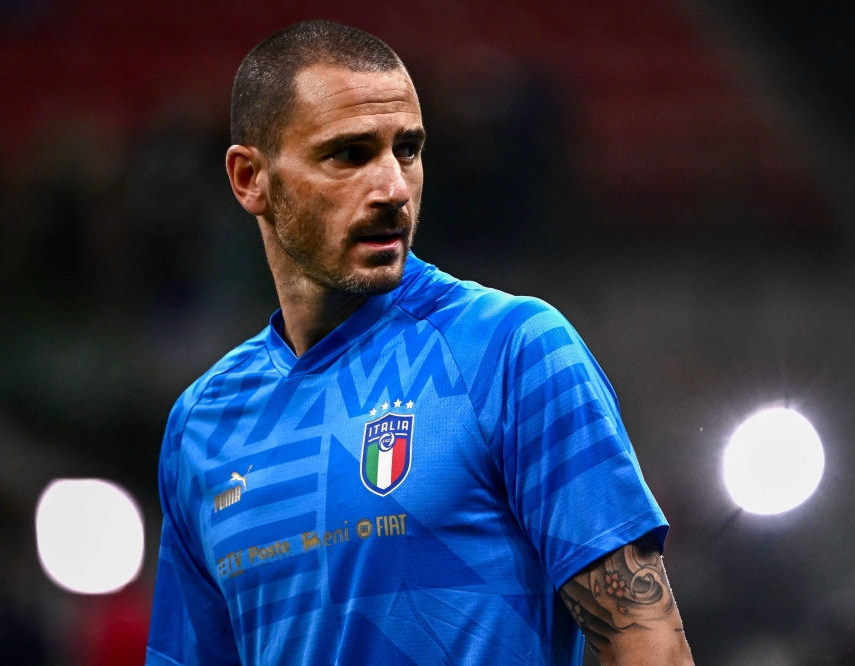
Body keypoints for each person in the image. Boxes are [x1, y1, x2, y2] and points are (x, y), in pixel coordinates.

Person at [146, 19, 695, 666]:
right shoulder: (201, 426)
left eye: (407, 149)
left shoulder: (511, 352)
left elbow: (646, 642)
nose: (393, 189)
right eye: (348, 154)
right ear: (250, 180)